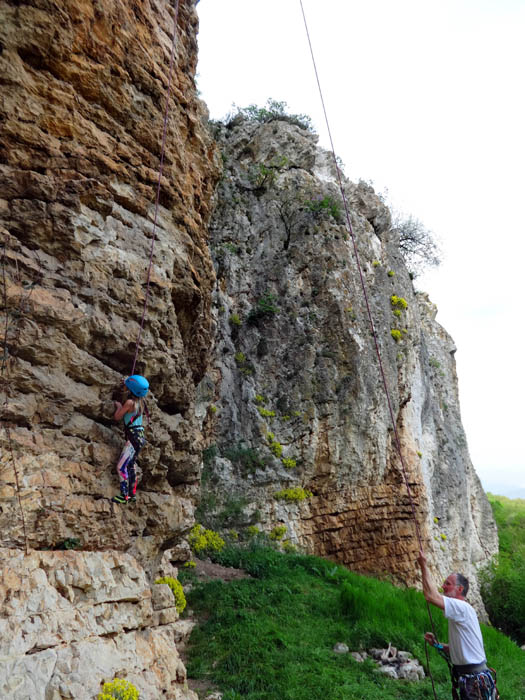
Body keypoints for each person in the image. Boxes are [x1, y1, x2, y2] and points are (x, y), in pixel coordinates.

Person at [417, 549, 499, 700]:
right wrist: (438, 645)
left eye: (448, 584)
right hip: (471, 680)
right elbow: (457, 649)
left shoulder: (462, 608)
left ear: (459, 589)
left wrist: (423, 564)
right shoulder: (460, 612)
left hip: (473, 681)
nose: (443, 586)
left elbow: (430, 596)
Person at [112, 374, 149, 504]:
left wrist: (118, 406)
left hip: (132, 438)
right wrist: (127, 383)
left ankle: (124, 496)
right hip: (139, 437)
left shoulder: (129, 403)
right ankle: (132, 494)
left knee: (121, 467)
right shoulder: (142, 401)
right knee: (131, 465)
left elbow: (117, 417)